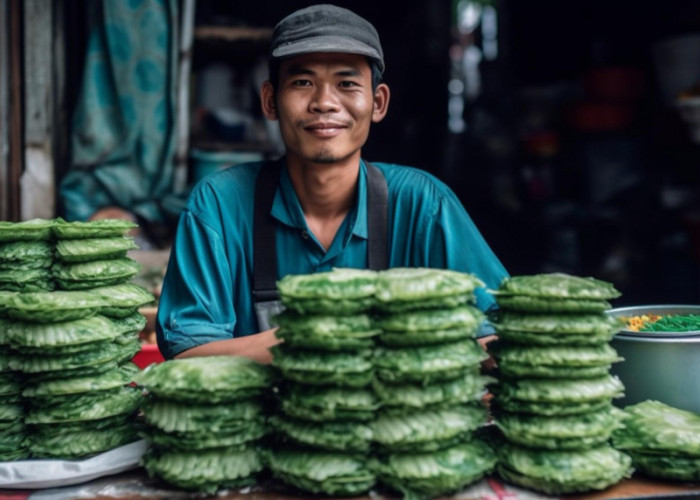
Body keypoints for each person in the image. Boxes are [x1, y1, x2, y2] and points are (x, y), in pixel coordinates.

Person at [156, 4, 508, 363]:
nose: (324, 102)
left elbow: (501, 335)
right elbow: (188, 353)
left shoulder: (424, 204)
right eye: (302, 82)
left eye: (347, 83)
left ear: (378, 102)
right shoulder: (218, 205)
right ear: (270, 100)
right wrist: (314, 337)